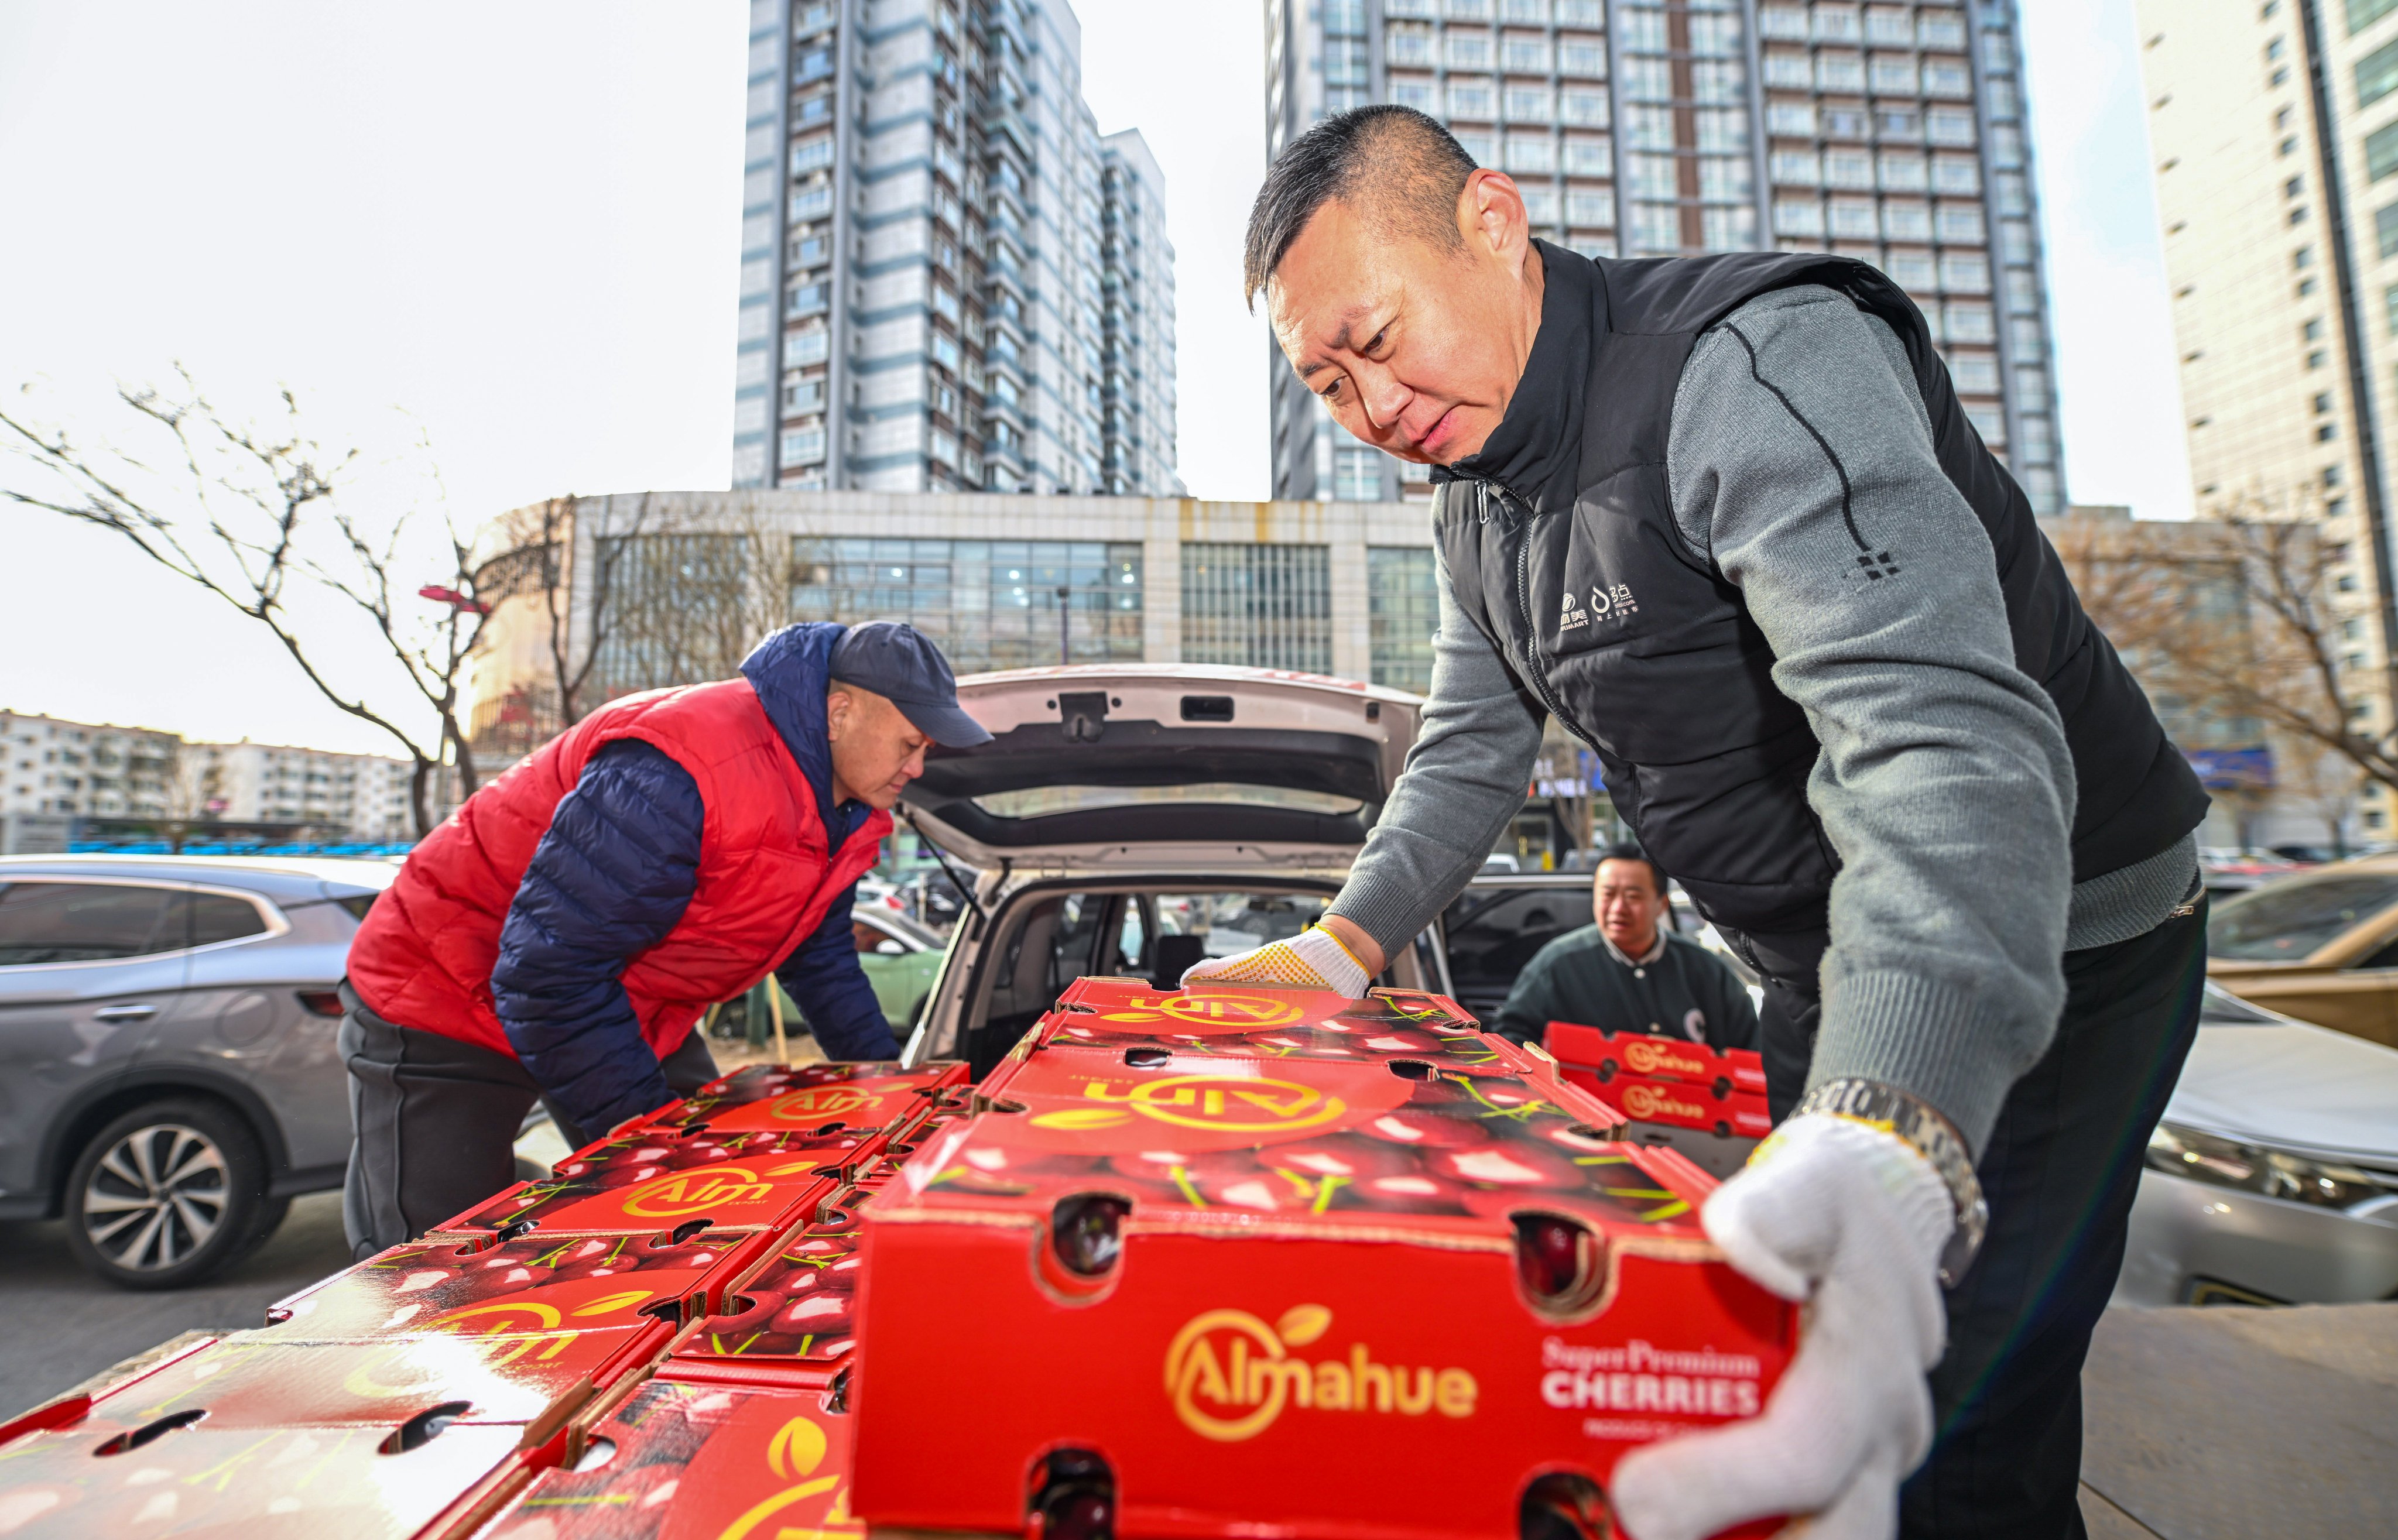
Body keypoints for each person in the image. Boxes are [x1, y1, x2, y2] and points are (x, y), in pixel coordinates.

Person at [1189, 106, 2208, 1540]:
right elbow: (1471, 748)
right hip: (1814, 959)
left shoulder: (1750, 362)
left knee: (1941, 1414)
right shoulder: (1475, 510)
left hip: (2058, 932)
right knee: (1809, 1366)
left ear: (1493, 219)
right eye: (1328, 380)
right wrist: (1340, 945)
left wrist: (1894, 1125)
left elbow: (1938, 742)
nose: (1369, 404)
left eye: (1378, 332)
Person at [338, 621, 991, 1259]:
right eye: (909, 743)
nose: (918, 766)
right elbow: (548, 975)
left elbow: (819, 959)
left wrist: (895, 1091)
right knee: (433, 1266)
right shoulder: (684, 767)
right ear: (838, 712)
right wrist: (660, 1154)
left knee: (714, 1225)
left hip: (626, 1000)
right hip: (444, 989)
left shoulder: (848, 812)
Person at [1492, 845, 1758, 1052]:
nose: (1618, 908)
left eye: (1633, 897)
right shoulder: (1557, 965)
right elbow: (1513, 1039)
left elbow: (1750, 1050)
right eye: (1608, 894)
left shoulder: (1705, 970)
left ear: (1662, 904)